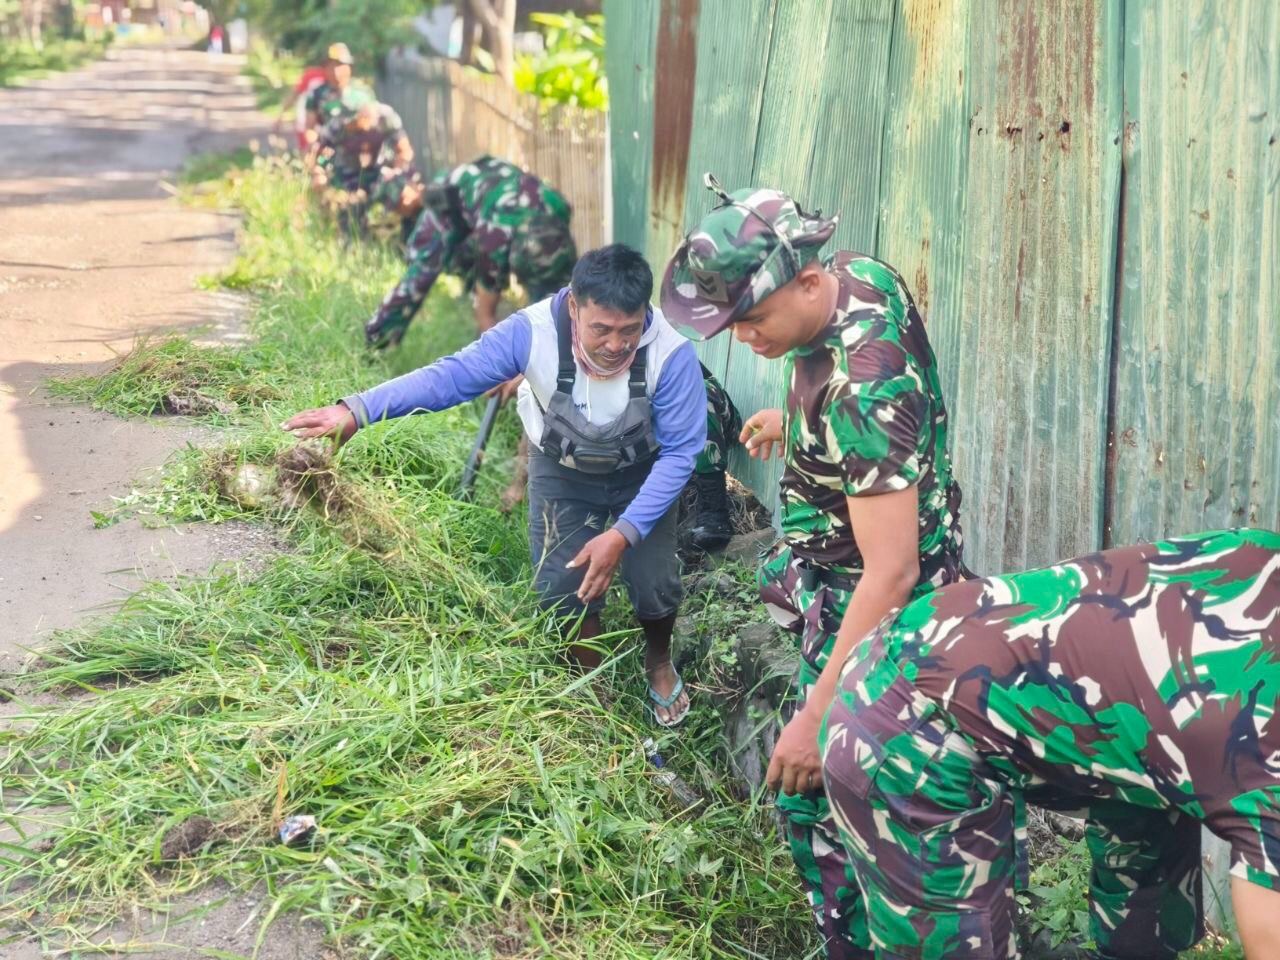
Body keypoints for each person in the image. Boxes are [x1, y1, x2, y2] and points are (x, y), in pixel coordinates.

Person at [661, 175, 967, 958]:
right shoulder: (861, 276)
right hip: (848, 566)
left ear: (804, 280)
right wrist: (797, 423)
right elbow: (848, 401)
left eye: (753, 319)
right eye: (730, 322)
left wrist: (814, 717)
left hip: (880, 601)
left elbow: (891, 573)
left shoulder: (864, 391)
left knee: (819, 794)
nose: (742, 338)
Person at [283, 244, 707, 726]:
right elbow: (454, 375)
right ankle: (594, 691)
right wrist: (357, 410)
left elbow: (680, 454)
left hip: (644, 473)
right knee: (561, 587)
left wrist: (623, 534)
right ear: (573, 306)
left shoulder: (671, 353)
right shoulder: (532, 331)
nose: (616, 344)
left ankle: (658, 663)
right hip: (562, 470)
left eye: (629, 330)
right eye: (601, 330)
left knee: (654, 581)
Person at [821, 528, 1280, 959]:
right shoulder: (1262, 744)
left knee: (1159, 867)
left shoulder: (1264, 559)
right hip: (907, 719)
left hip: (1073, 712)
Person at [313, 97, 415, 238]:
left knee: (405, 194)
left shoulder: (386, 118)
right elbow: (321, 154)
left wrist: (396, 170)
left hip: (381, 171)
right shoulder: (336, 125)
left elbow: (405, 150)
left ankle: (403, 235)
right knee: (340, 205)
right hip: (346, 173)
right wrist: (320, 173)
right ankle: (343, 233)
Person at [304, 43, 360, 149]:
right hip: (329, 149)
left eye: (339, 65)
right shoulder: (317, 94)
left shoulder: (363, 93)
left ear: (349, 67)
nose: (335, 71)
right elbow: (310, 128)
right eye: (331, 66)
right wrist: (314, 144)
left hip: (357, 149)